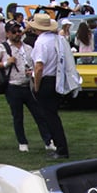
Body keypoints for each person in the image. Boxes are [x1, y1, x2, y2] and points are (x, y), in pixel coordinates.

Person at [0, 20, 53, 152]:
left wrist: (33, 73)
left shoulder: (28, 48)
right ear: (7, 33)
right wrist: (6, 63)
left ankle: (48, 141)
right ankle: (22, 142)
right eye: (14, 32)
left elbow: (37, 63)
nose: (17, 34)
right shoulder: (2, 48)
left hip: (28, 85)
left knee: (39, 115)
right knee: (18, 117)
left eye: (18, 31)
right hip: (13, 86)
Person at [29, 13, 69, 158]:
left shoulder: (41, 43)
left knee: (50, 117)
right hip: (56, 79)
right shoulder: (57, 39)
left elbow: (39, 66)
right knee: (53, 115)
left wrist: (36, 85)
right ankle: (60, 146)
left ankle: (61, 148)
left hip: (46, 80)